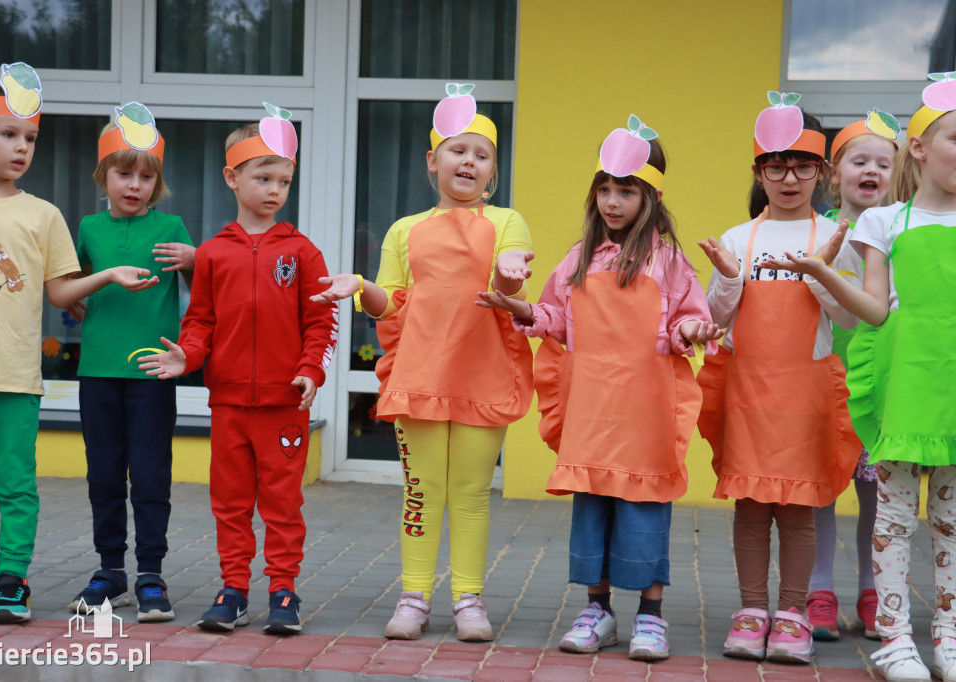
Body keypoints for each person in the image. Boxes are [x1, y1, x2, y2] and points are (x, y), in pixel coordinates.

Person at [477, 117, 722, 659]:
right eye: (605, 189)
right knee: (593, 508)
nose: (613, 201)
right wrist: (522, 308)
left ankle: (651, 616)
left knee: (644, 506)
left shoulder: (670, 261)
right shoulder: (577, 259)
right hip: (592, 411)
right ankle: (598, 609)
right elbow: (554, 319)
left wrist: (692, 330)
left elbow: (686, 322)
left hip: (645, 412)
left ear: (651, 197)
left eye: (626, 191)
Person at [0, 64, 159, 624]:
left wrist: (106, 276)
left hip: (14, 376)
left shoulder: (43, 215)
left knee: (16, 486)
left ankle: (13, 580)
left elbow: (59, 293)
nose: (22, 147)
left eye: (30, 138)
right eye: (9, 135)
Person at [310, 83, 534, 642]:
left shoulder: (508, 222)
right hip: (421, 375)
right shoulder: (403, 230)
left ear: (492, 172)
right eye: (458, 151)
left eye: (482, 156)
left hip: (483, 374)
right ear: (433, 162)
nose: (470, 162)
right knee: (421, 489)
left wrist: (509, 270)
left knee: (471, 491)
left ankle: (468, 600)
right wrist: (360, 286)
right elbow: (393, 303)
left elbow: (507, 284)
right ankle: (413, 595)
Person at [759, 77, 956, 682]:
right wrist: (825, 273)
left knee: (951, 518)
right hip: (904, 386)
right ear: (919, 149)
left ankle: (948, 635)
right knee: (894, 516)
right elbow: (873, 310)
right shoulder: (885, 223)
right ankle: (896, 637)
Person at [137, 103, 337, 636]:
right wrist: (189, 355)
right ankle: (233, 590)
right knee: (229, 504)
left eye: (284, 181)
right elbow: (200, 319)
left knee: (282, 504)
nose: (274, 189)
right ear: (232, 177)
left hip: (284, 407)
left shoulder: (302, 252)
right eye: (263, 177)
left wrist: (310, 372)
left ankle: (282, 590)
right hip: (227, 404)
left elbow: (321, 322)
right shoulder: (213, 254)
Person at [697, 92, 863, 664]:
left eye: (802, 166)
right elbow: (719, 318)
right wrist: (724, 278)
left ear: (822, 173)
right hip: (748, 392)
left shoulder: (832, 236)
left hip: (804, 394)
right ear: (758, 172)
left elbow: (846, 316)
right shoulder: (740, 238)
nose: (789, 178)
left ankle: (791, 613)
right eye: (776, 165)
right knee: (749, 506)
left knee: (796, 510)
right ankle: (750, 610)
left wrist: (822, 273)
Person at [66, 104, 195, 623]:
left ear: (157, 182)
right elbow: (66, 290)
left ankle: (150, 574)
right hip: (97, 372)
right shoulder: (89, 228)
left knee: (149, 474)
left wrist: (197, 260)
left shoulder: (173, 226)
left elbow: (206, 294)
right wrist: (88, 287)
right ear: (104, 175)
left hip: (152, 372)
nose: (135, 184)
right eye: (124, 173)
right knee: (102, 475)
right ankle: (109, 570)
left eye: (147, 175)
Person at [805, 110, 899, 642]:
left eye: (881, 164)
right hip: (822, 377)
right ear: (834, 173)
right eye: (858, 161)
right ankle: (819, 589)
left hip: (880, 383)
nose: (870, 171)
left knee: (877, 494)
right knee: (821, 488)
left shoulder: (901, 228)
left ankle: (870, 589)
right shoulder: (818, 233)